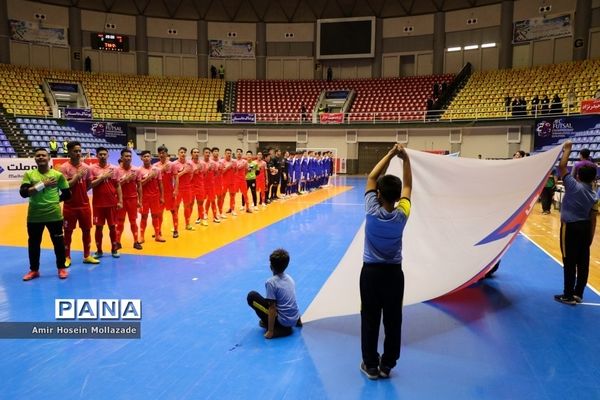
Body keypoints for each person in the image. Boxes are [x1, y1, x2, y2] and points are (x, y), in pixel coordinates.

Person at [360, 143, 412, 380]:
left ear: (378, 194)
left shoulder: (371, 209)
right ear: (397, 196)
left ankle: (370, 365)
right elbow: (408, 186)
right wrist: (406, 160)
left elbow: (372, 176)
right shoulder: (402, 214)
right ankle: (387, 364)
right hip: (394, 274)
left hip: (370, 273)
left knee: (370, 318)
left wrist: (391, 154)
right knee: (393, 320)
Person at [554, 141, 598, 305]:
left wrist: (568, 149)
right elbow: (593, 218)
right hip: (585, 228)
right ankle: (578, 293)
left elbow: (562, 166)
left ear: (578, 175)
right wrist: (590, 238)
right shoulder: (594, 195)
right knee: (583, 261)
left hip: (570, 228)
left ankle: (568, 294)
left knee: (569, 261)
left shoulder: (573, 186)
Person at [20, 148, 71, 281]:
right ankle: (34, 270)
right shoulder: (29, 174)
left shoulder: (57, 175)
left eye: (43, 155)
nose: (41, 157)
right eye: (38, 156)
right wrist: (43, 184)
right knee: (34, 244)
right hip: (35, 216)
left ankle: (61, 268)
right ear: (35, 159)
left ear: (49, 158)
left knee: (58, 243)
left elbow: (67, 194)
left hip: (54, 215)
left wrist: (54, 202)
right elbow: (24, 193)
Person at [60, 141, 100, 267]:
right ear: (69, 152)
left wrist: (81, 188)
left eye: (79, 151)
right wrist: (77, 177)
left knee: (87, 231)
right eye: (75, 151)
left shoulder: (87, 168)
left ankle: (87, 255)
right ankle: (67, 257)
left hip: (84, 205)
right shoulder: (64, 168)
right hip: (69, 206)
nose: (78, 153)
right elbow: (65, 186)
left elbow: (88, 186)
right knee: (67, 232)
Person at [246, 248, 302, 339]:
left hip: (282, 324)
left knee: (251, 296)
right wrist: (298, 320)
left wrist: (271, 332)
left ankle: (274, 327)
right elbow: (293, 300)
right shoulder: (289, 278)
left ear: (271, 266)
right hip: (294, 320)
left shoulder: (271, 282)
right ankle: (289, 323)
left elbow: (272, 308)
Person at [89, 146, 122, 258]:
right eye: (100, 154)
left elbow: (118, 186)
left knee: (113, 227)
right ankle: (99, 250)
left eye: (104, 154)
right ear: (97, 156)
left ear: (108, 155)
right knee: (98, 227)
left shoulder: (114, 168)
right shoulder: (92, 169)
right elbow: (90, 185)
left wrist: (120, 201)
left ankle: (114, 249)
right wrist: (103, 177)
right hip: (98, 204)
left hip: (112, 203)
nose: (103, 156)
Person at [115, 148, 143, 250]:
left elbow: (139, 186)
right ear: (121, 158)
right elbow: (115, 186)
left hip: (133, 199)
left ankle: (136, 241)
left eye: (130, 156)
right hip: (121, 200)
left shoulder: (136, 170)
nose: (128, 158)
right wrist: (126, 179)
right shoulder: (116, 171)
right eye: (126, 156)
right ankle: (117, 242)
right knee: (120, 222)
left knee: (133, 221)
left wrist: (140, 200)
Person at [139, 150, 165, 243]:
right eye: (144, 156)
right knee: (144, 217)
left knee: (155, 216)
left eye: (148, 156)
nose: (146, 158)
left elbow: (160, 184)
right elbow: (139, 185)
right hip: (144, 197)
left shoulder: (157, 170)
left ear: (151, 158)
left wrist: (162, 197)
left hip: (155, 197)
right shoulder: (139, 170)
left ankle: (157, 235)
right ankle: (141, 237)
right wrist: (149, 177)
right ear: (141, 158)